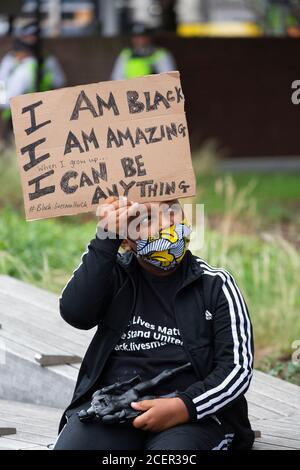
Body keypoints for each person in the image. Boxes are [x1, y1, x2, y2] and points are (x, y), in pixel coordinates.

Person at [53, 197, 254, 450]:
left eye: (172, 211)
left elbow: (237, 369)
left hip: (194, 416)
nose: (168, 222)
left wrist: (185, 407)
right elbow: (76, 313)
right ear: (126, 240)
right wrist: (105, 238)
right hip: (114, 408)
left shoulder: (216, 285)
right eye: (147, 218)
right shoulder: (112, 275)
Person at [0, 21, 66, 143]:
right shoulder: (11, 60)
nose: (32, 39)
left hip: (42, 113)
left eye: (34, 36)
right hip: (17, 114)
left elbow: (59, 82)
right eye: (28, 36)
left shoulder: (46, 60)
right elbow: (2, 83)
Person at [111, 23, 176, 80]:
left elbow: (168, 78)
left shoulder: (160, 53)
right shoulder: (126, 53)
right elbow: (116, 77)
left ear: (149, 38)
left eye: (143, 36)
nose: (139, 40)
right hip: (130, 91)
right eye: (136, 37)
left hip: (153, 91)